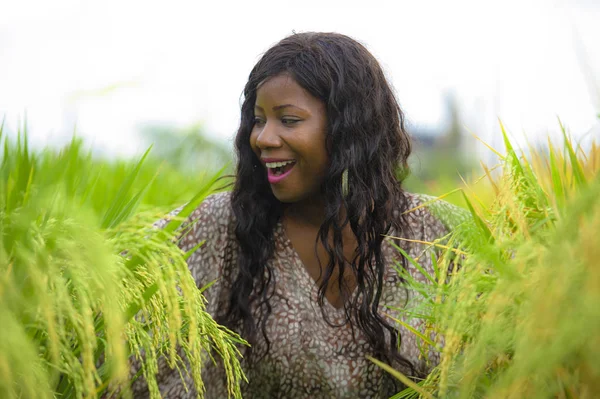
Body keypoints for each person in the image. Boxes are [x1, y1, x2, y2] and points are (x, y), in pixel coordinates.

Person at [134, 32, 461, 398]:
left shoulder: (437, 234)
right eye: (259, 120)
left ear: (348, 131)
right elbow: (116, 288)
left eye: (288, 120)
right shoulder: (219, 225)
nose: (263, 138)